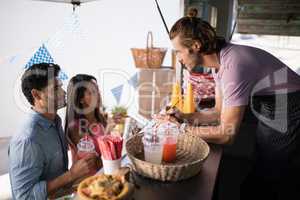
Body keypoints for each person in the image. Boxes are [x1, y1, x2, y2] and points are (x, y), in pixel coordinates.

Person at [168, 8, 300, 199]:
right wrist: (184, 116)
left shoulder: (233, 65)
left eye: (178, 51)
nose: (178, 58)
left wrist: (181, 130)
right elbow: (218, 111)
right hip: (269, 103)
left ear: (195, 45)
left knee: (274, 172)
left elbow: (226, 134)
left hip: (291, 106)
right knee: (262, 160)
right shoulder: (219, 63)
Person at [9, 63, 97, 199]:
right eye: (56, 88)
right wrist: (72, 174)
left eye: (60, 86)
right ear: (36, 95)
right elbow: (23, 197)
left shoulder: (55, 120)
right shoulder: (27, 139)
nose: (63, 92)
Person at [65, 74, 115, 163]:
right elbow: (93, 161)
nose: (98, 94)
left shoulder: (100, 118)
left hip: (105, 170)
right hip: (90, 176)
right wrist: (108, 132)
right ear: (81, 99)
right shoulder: (75, 127)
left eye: (97, 90)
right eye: (92, 92)